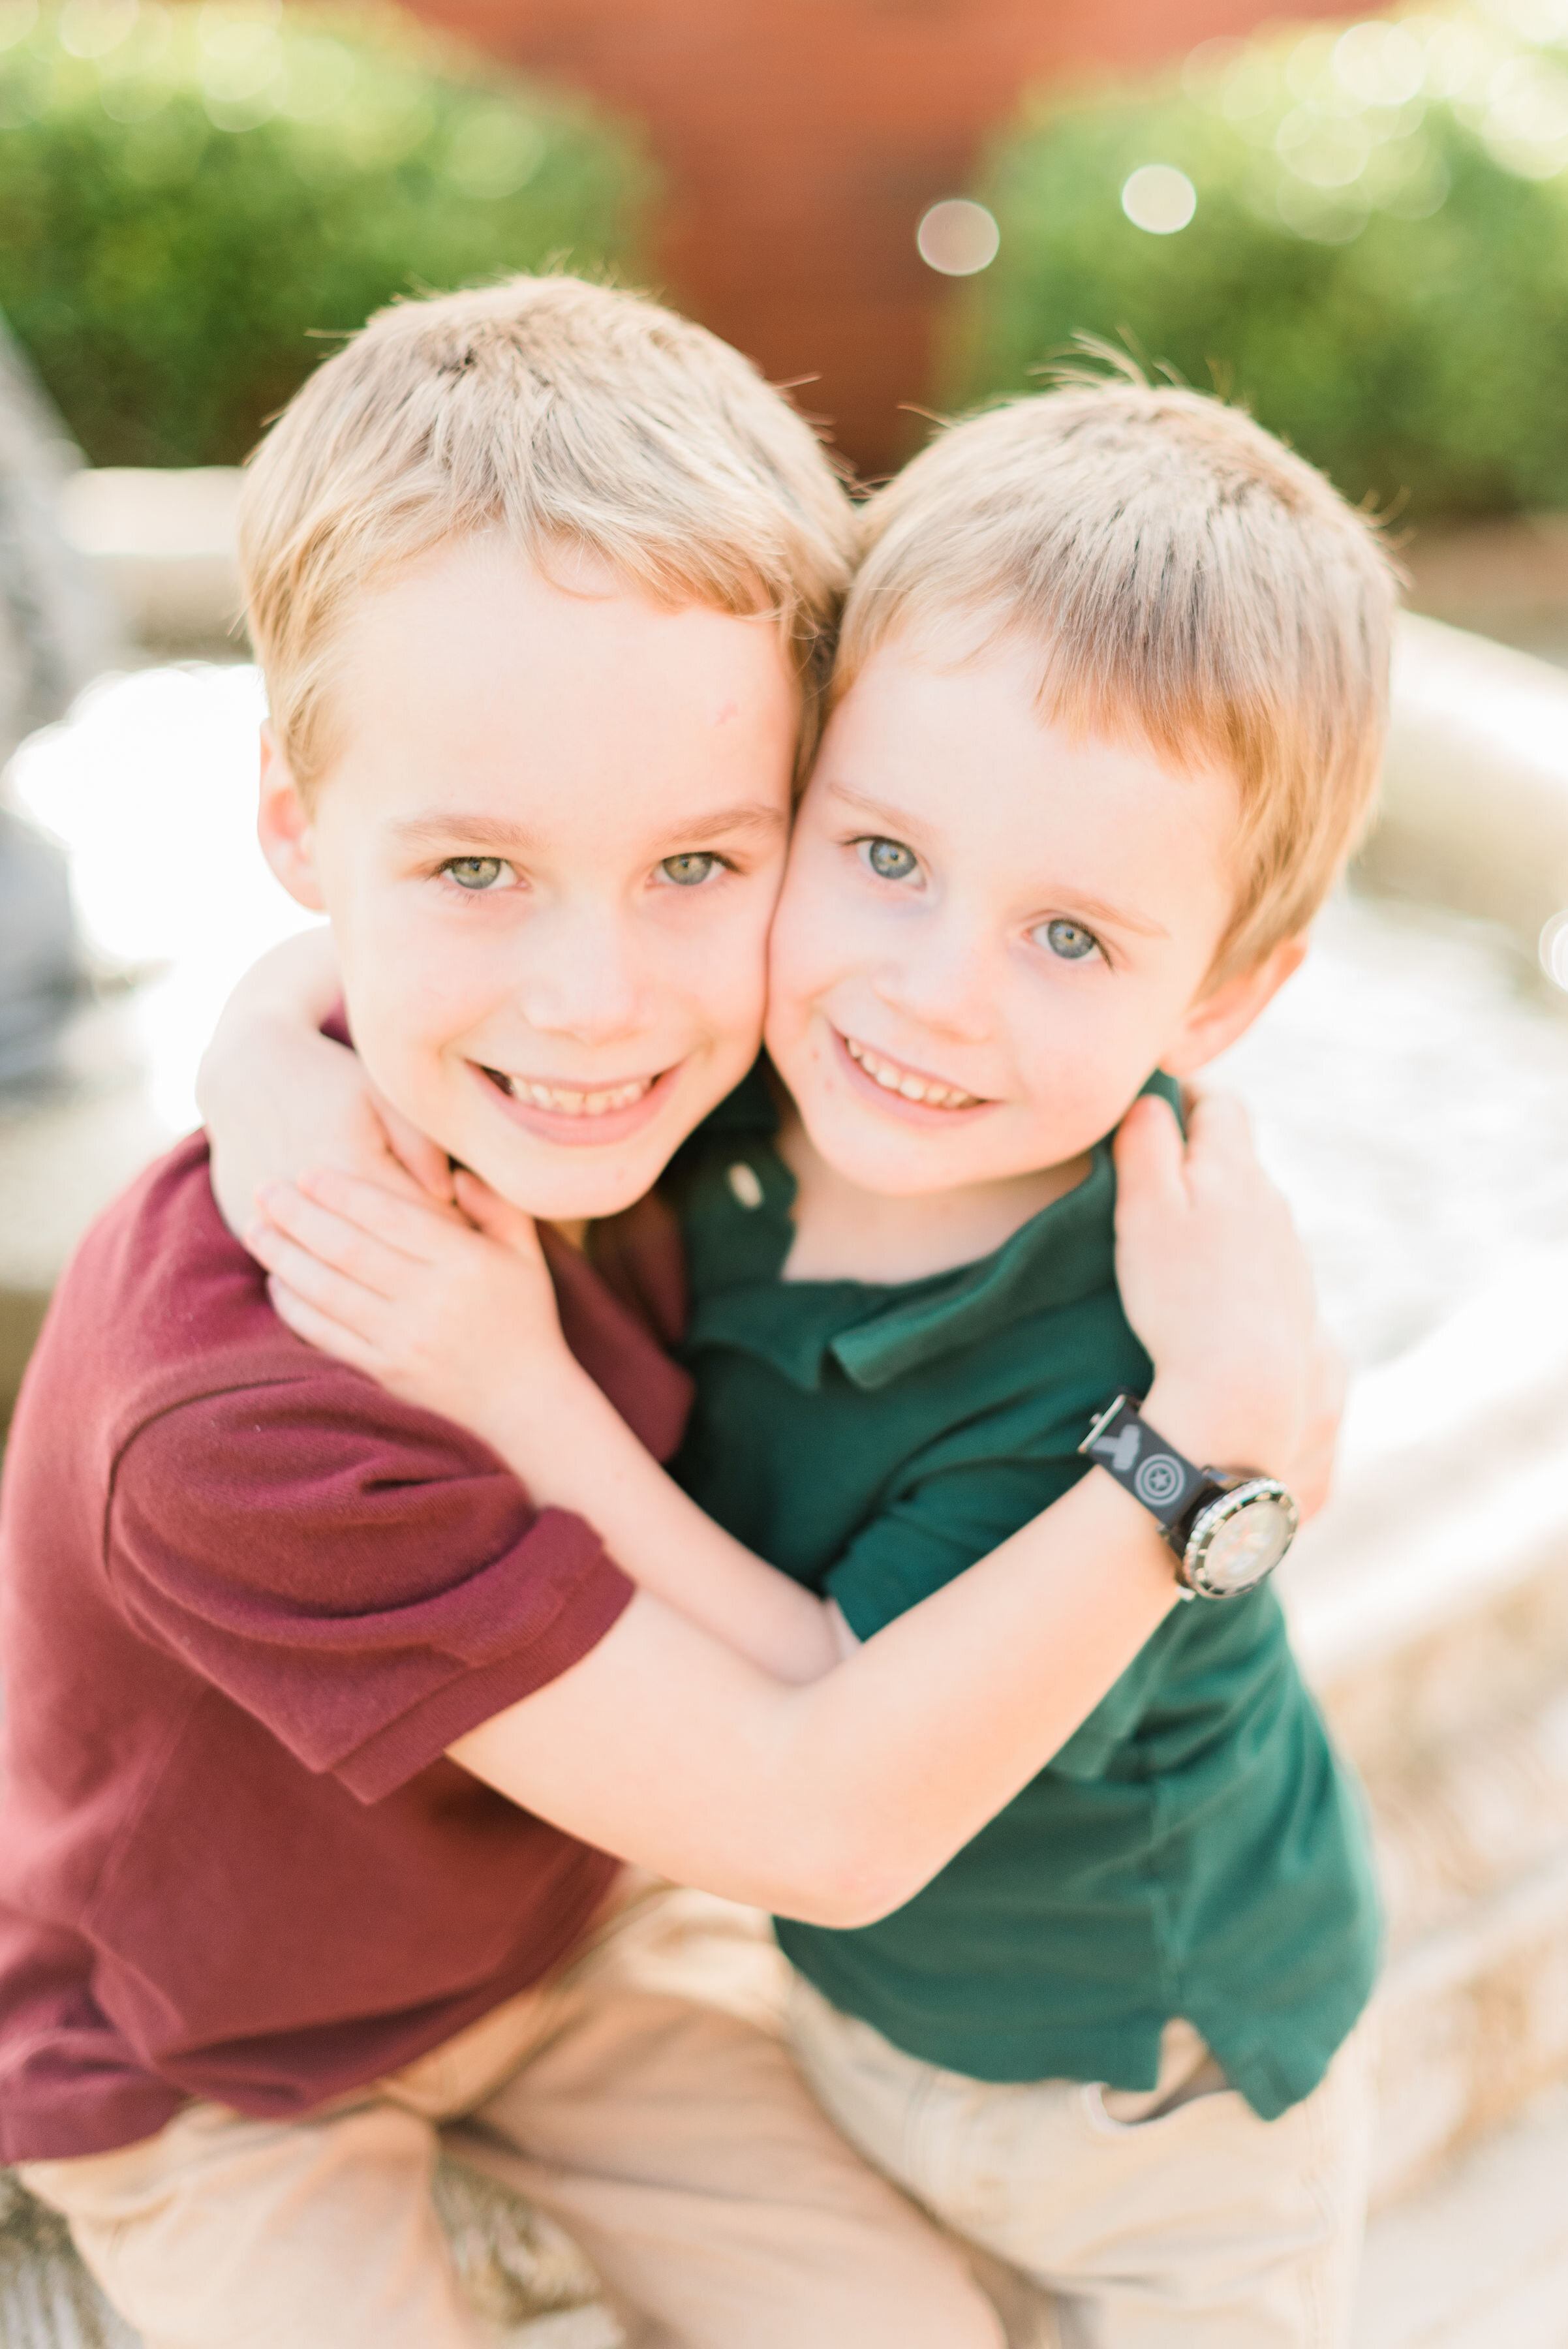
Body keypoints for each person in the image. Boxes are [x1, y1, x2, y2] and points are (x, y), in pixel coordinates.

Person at [0, 279, 1333, 2349]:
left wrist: (283, 1025)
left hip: (547, 1975)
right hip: (204, 2062)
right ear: (292, 821)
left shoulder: (701, 1108)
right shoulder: (246, 1424)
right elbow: (810, 1818)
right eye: (473, 874)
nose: (598, 999)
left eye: (702, 863)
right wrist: (1207, 1454)